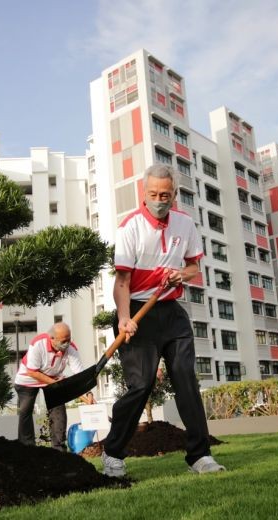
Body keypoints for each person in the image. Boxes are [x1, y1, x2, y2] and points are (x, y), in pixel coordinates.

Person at [102, 164, 225, 477]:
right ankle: (113, 453)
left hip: (172, 313)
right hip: (139, 313)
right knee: (140, 386)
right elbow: (122, 282)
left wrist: (180, 274)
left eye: (165, 195)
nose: (159, 200)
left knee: (185, 378)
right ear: (144, 193)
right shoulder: (130, 227)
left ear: (174, 195)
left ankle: (200, 456)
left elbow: (194, 268)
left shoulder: (185, 224)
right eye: (154, 194)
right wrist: (124, 318)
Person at [14, 322, 92, 451]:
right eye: (63, 341)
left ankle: (58, 448)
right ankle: (26, 448)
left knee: (58, 410)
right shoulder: (37, 344)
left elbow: (80, 374)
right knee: (25, 410)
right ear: (52, 339)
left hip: (54, 378)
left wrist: (88, 392)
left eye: (69, 339)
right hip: (28, 379)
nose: (67, 343)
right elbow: (32, 371)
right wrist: (57, 384)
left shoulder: (70, 348)